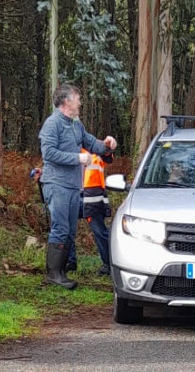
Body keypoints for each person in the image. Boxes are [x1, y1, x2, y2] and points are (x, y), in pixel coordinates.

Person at [38, 83, 116, 289]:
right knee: (61, 228)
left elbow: (92, 144)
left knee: (70, 231)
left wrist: (107, 146)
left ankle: (62, 271)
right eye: (77, 99)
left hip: (73, 186)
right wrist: (78, 158)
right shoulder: (52, 124)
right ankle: (54, 274)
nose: (80, 102)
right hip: (56, 184)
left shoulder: (75, 125)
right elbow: (49, 154)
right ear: (66, 102)